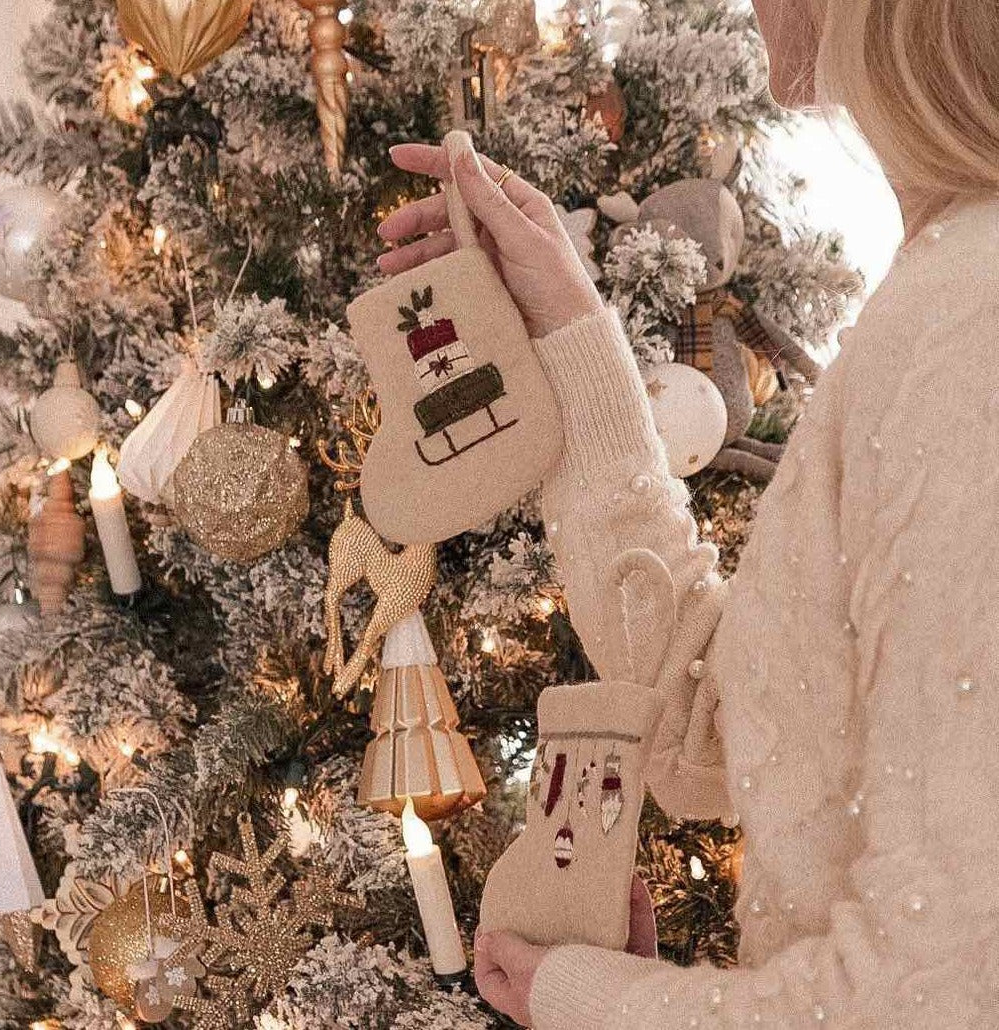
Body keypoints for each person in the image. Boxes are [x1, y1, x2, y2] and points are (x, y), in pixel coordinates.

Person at [377, 0, 999, 1025]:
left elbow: (931, 987)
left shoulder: (966, 324)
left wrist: (598, 998)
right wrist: (568, 329)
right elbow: (730, 718)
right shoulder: (945, 290)